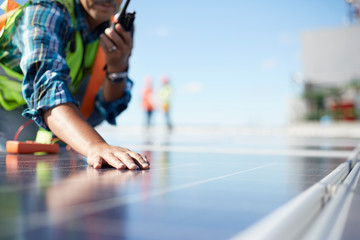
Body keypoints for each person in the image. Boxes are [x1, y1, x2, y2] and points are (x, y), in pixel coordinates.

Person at [0, 0, 149, 170]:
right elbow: (46, 88)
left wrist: (118, 68)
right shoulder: (46, 10)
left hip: (53, 111)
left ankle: (65, 135)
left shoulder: (118, 26)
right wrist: (94, 145)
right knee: (11, 178)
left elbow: (107, 108)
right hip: (6, 110)